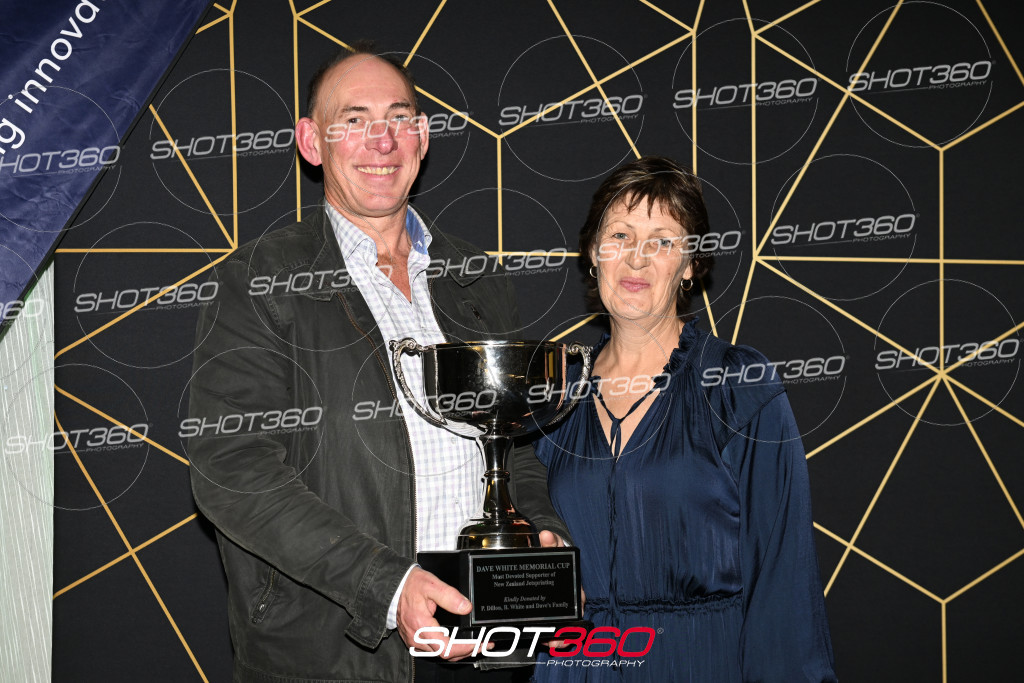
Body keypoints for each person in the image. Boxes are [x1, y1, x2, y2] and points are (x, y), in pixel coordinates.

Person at [187, 46, 570, 683]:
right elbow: (230, 468)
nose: (382, 140)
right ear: (312, 142)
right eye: (354, 120)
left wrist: (542, 534)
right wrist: (387, 586)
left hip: (484, 646)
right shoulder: (261, 279)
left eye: (399, 118)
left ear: (422, 137)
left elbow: (515, 444)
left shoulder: (475, 277)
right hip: (335, 653)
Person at [532, 156, 837, 681]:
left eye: (662, 241)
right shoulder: (553, 395)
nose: (637, 258)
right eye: (620, 235)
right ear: (593, 253)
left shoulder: (737, 386)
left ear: (691, 265)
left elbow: (781, 576)